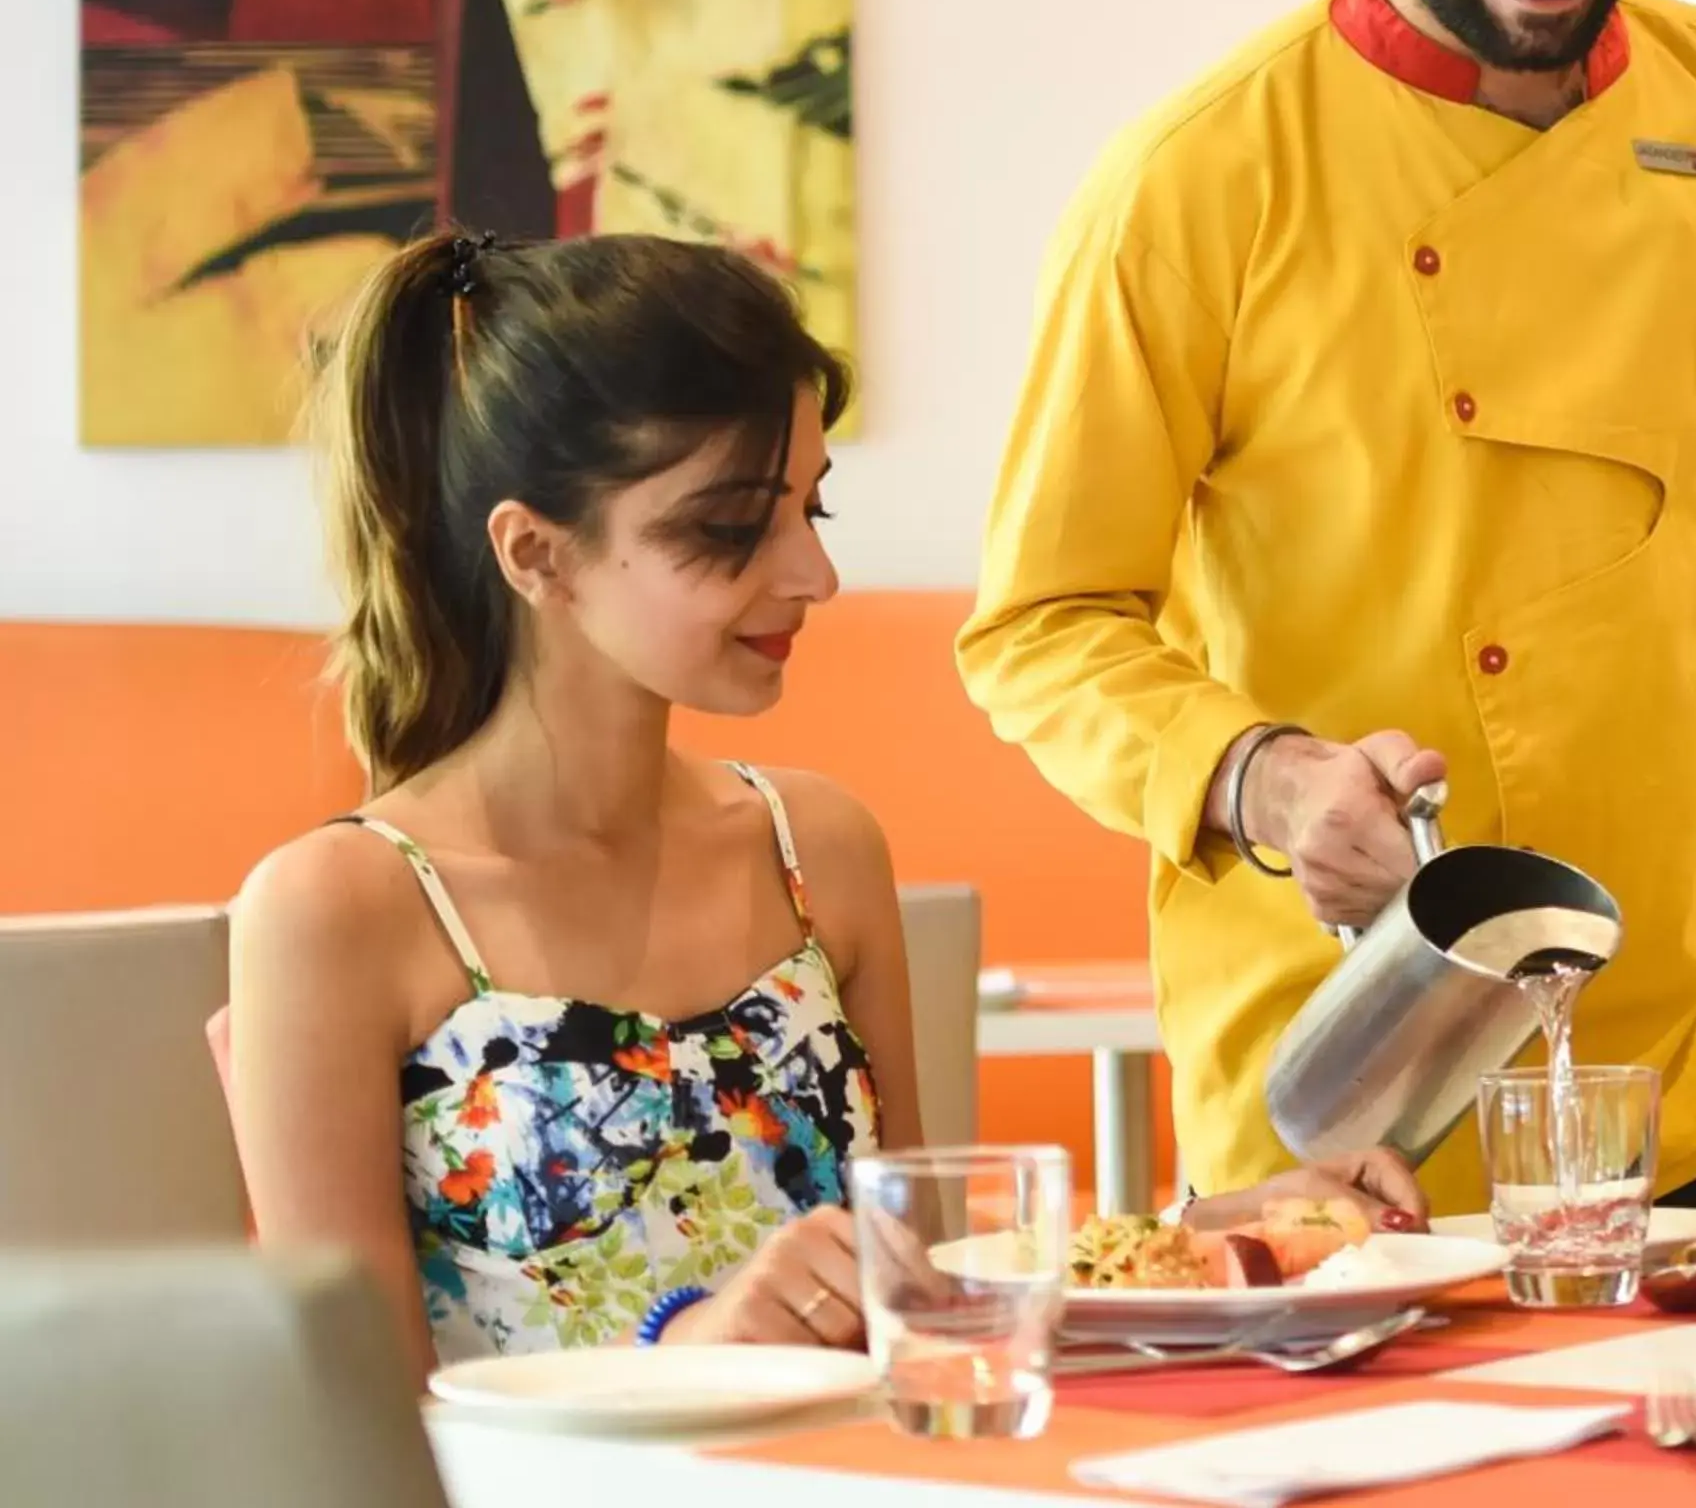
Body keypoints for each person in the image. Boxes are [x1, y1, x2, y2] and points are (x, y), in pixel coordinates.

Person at [957, 0, 1696, 1237]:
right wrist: (1268, 777)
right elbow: (1041, 620)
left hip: (1692, 1065)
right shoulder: (1199, 181)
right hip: (1347, 1075)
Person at [229, 232, 1422, 1378]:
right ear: (537, 554)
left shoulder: (818, 847)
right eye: (731, 526)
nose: (814, 574)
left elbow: (934, 1292)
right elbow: (351, 1426)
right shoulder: (340, 907)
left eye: (814, 507)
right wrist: (690, 1356)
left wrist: (1224, 1236)